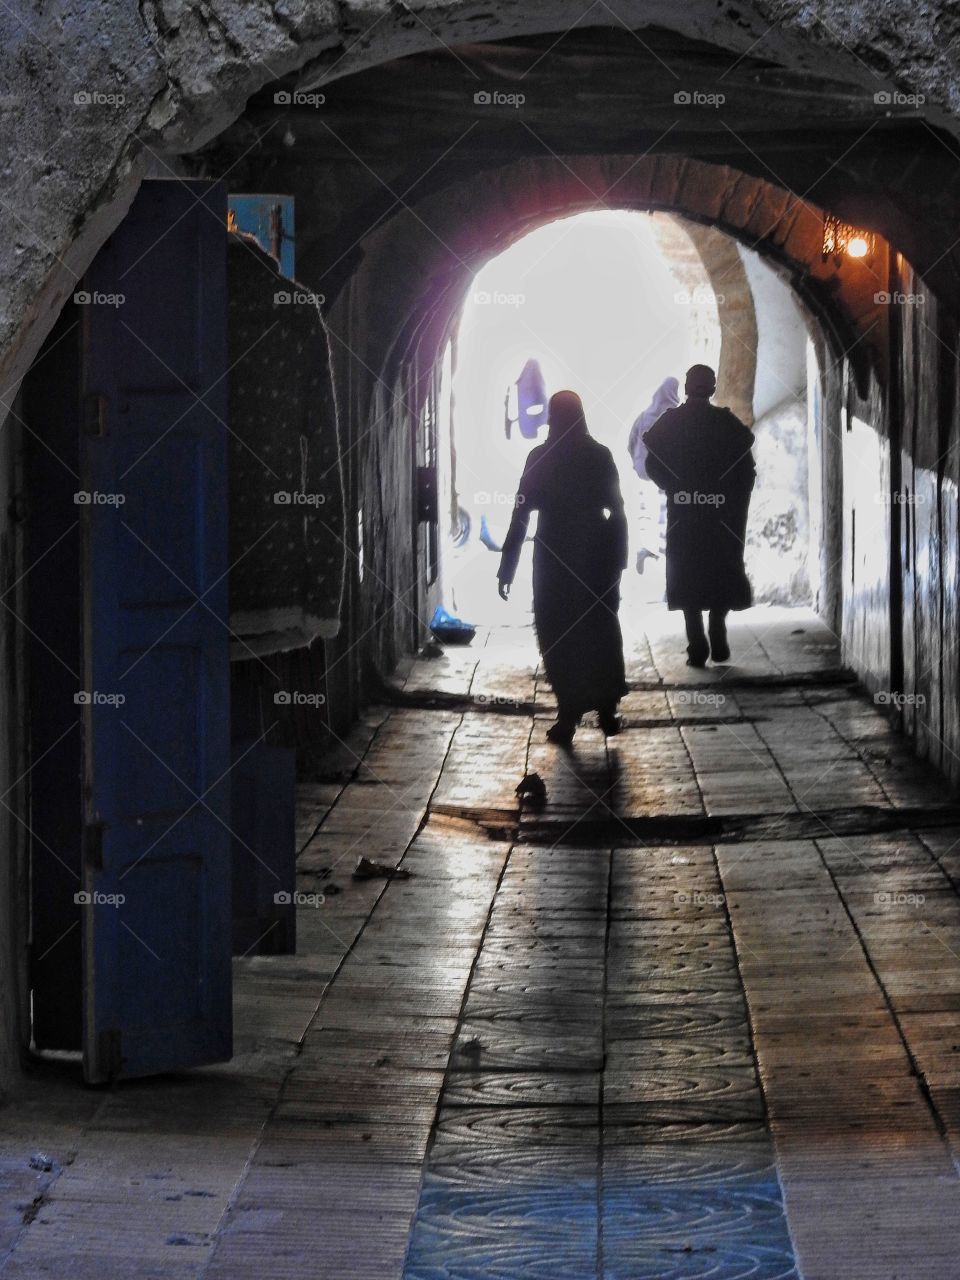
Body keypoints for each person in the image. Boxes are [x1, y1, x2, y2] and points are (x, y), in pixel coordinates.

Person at [498, 390, 628, 745]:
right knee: (599, 627)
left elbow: (521, 513)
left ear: (551, 418)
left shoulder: (540, 457)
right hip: (595, 553)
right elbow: (616, 509)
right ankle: (606, 709)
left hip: (553, 553)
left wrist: (507, 565)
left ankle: (568, 714)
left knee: (558, 632)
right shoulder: (599, 455)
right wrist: (619, 559)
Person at [643, 364, 755, 667]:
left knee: (686, 571)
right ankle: (717, 630)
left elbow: (652, 463)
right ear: (713, 388)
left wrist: (674, 488)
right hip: (720, 515)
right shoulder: (725, 423)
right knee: (720, 568)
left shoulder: (672, 423)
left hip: (685, 511)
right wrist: (731, 500)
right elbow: (746, 470)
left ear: (687, 387)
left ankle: (697, 644)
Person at [627, 376, 680, 573]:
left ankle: (648, 549)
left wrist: (637, 462)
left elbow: (630, 442)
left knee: (647, 513)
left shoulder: (643, 416)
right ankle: (664, 556)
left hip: (644, 472)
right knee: (666, 516)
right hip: (665, 474)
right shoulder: (675, 415)